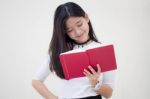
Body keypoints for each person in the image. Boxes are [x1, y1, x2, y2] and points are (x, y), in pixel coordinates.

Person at [32, 2, 116, 99]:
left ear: (86, 18)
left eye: (79, 24)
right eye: (69, 30)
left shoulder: (104, 51)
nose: (77, 32)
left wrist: (96, 83)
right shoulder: (59, 51)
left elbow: (108, 94)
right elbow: (36, 81)